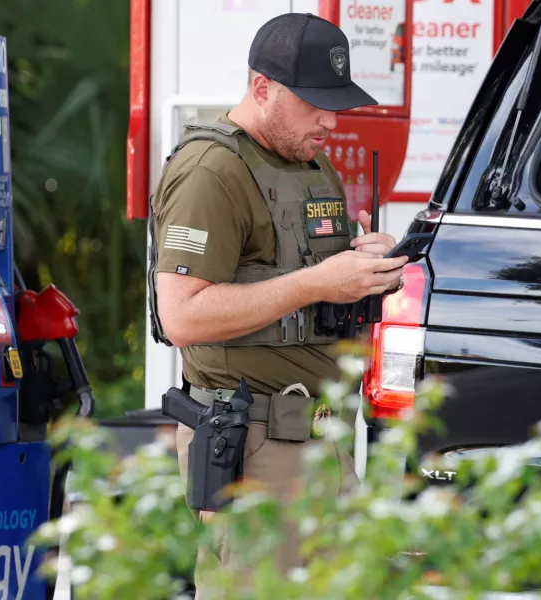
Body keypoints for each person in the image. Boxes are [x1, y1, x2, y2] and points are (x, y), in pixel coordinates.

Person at [145, 12, 407, 598]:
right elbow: (181, 316)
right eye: (314, 103)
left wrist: (370, 265)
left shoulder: (312, 164)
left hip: (323, 439)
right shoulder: (210, 171)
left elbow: (317, 283)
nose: (330, 120)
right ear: (262, 88)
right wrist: (318, 283)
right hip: (254, 446)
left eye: (335, 102)